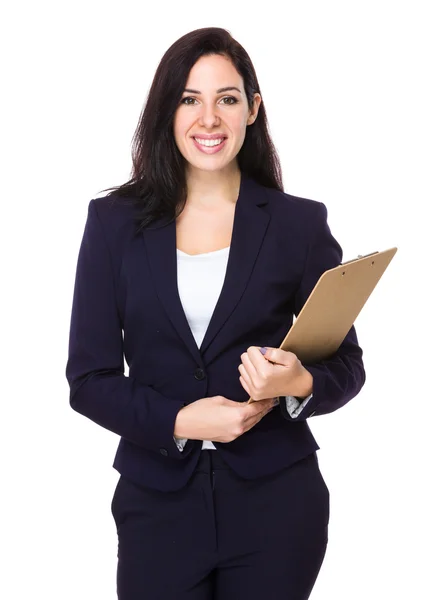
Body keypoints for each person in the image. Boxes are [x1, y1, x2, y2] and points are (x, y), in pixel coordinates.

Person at [65, 26, 366, 600]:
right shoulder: (113, 225)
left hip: (278, 504)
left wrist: (298, 381)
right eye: (189, 99)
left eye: (227, 99)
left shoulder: (299, 225)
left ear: (253, 109)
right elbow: (89, 381)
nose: (209, 119)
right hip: (158, 506)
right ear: (166, 110)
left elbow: (346, 365)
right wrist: (181, 420)